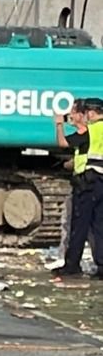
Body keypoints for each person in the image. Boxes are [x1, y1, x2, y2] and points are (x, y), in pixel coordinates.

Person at [53, 97, 103, 278]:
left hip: (87, 183)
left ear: (89, 113)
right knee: (99, 227)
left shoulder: (90, 131)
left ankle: (72, 265)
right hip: (101, 182)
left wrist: (59, 125)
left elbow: (64, 143)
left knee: (79, 226)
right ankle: (102, 267)